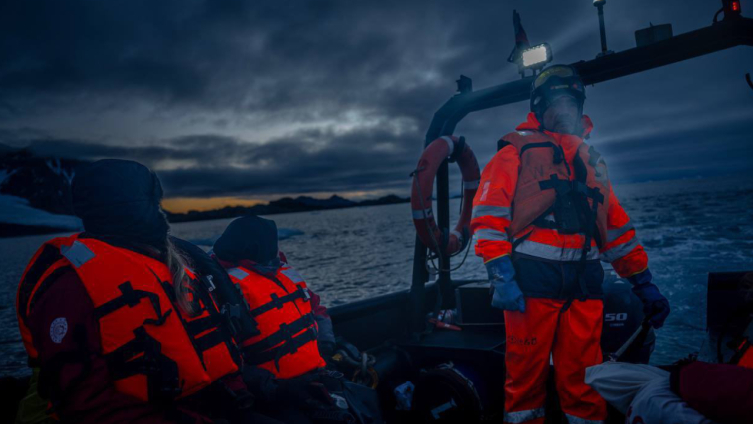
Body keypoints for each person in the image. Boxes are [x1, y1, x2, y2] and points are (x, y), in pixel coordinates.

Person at [470, 64, 671, 424]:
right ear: (539, 108)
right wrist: (500, 272)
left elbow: (616, 229)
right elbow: (488, 216)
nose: (563, 110)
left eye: (570, 103)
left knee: (585, 381)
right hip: (530, 284)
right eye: (555, 103)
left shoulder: (593, 162)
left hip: (584, 285)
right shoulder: (513, 152)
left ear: (580, 109)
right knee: (525, 381)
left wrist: (644, 283)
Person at [15, 159, 280, 424]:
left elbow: (203, 345)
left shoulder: (167, 263)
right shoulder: (71, 285)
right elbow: (84, 404)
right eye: (151, 202)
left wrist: (249, 389)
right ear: (127, 205)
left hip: (207, 404)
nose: (158, 213)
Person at [212, 215, 351, 423]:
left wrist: (326, 344)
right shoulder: (227, 289)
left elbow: (317, 310)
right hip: (275, 394)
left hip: (318, 374)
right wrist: (271, 387)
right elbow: (221, 355)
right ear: (257, 244)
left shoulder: (283, 272)